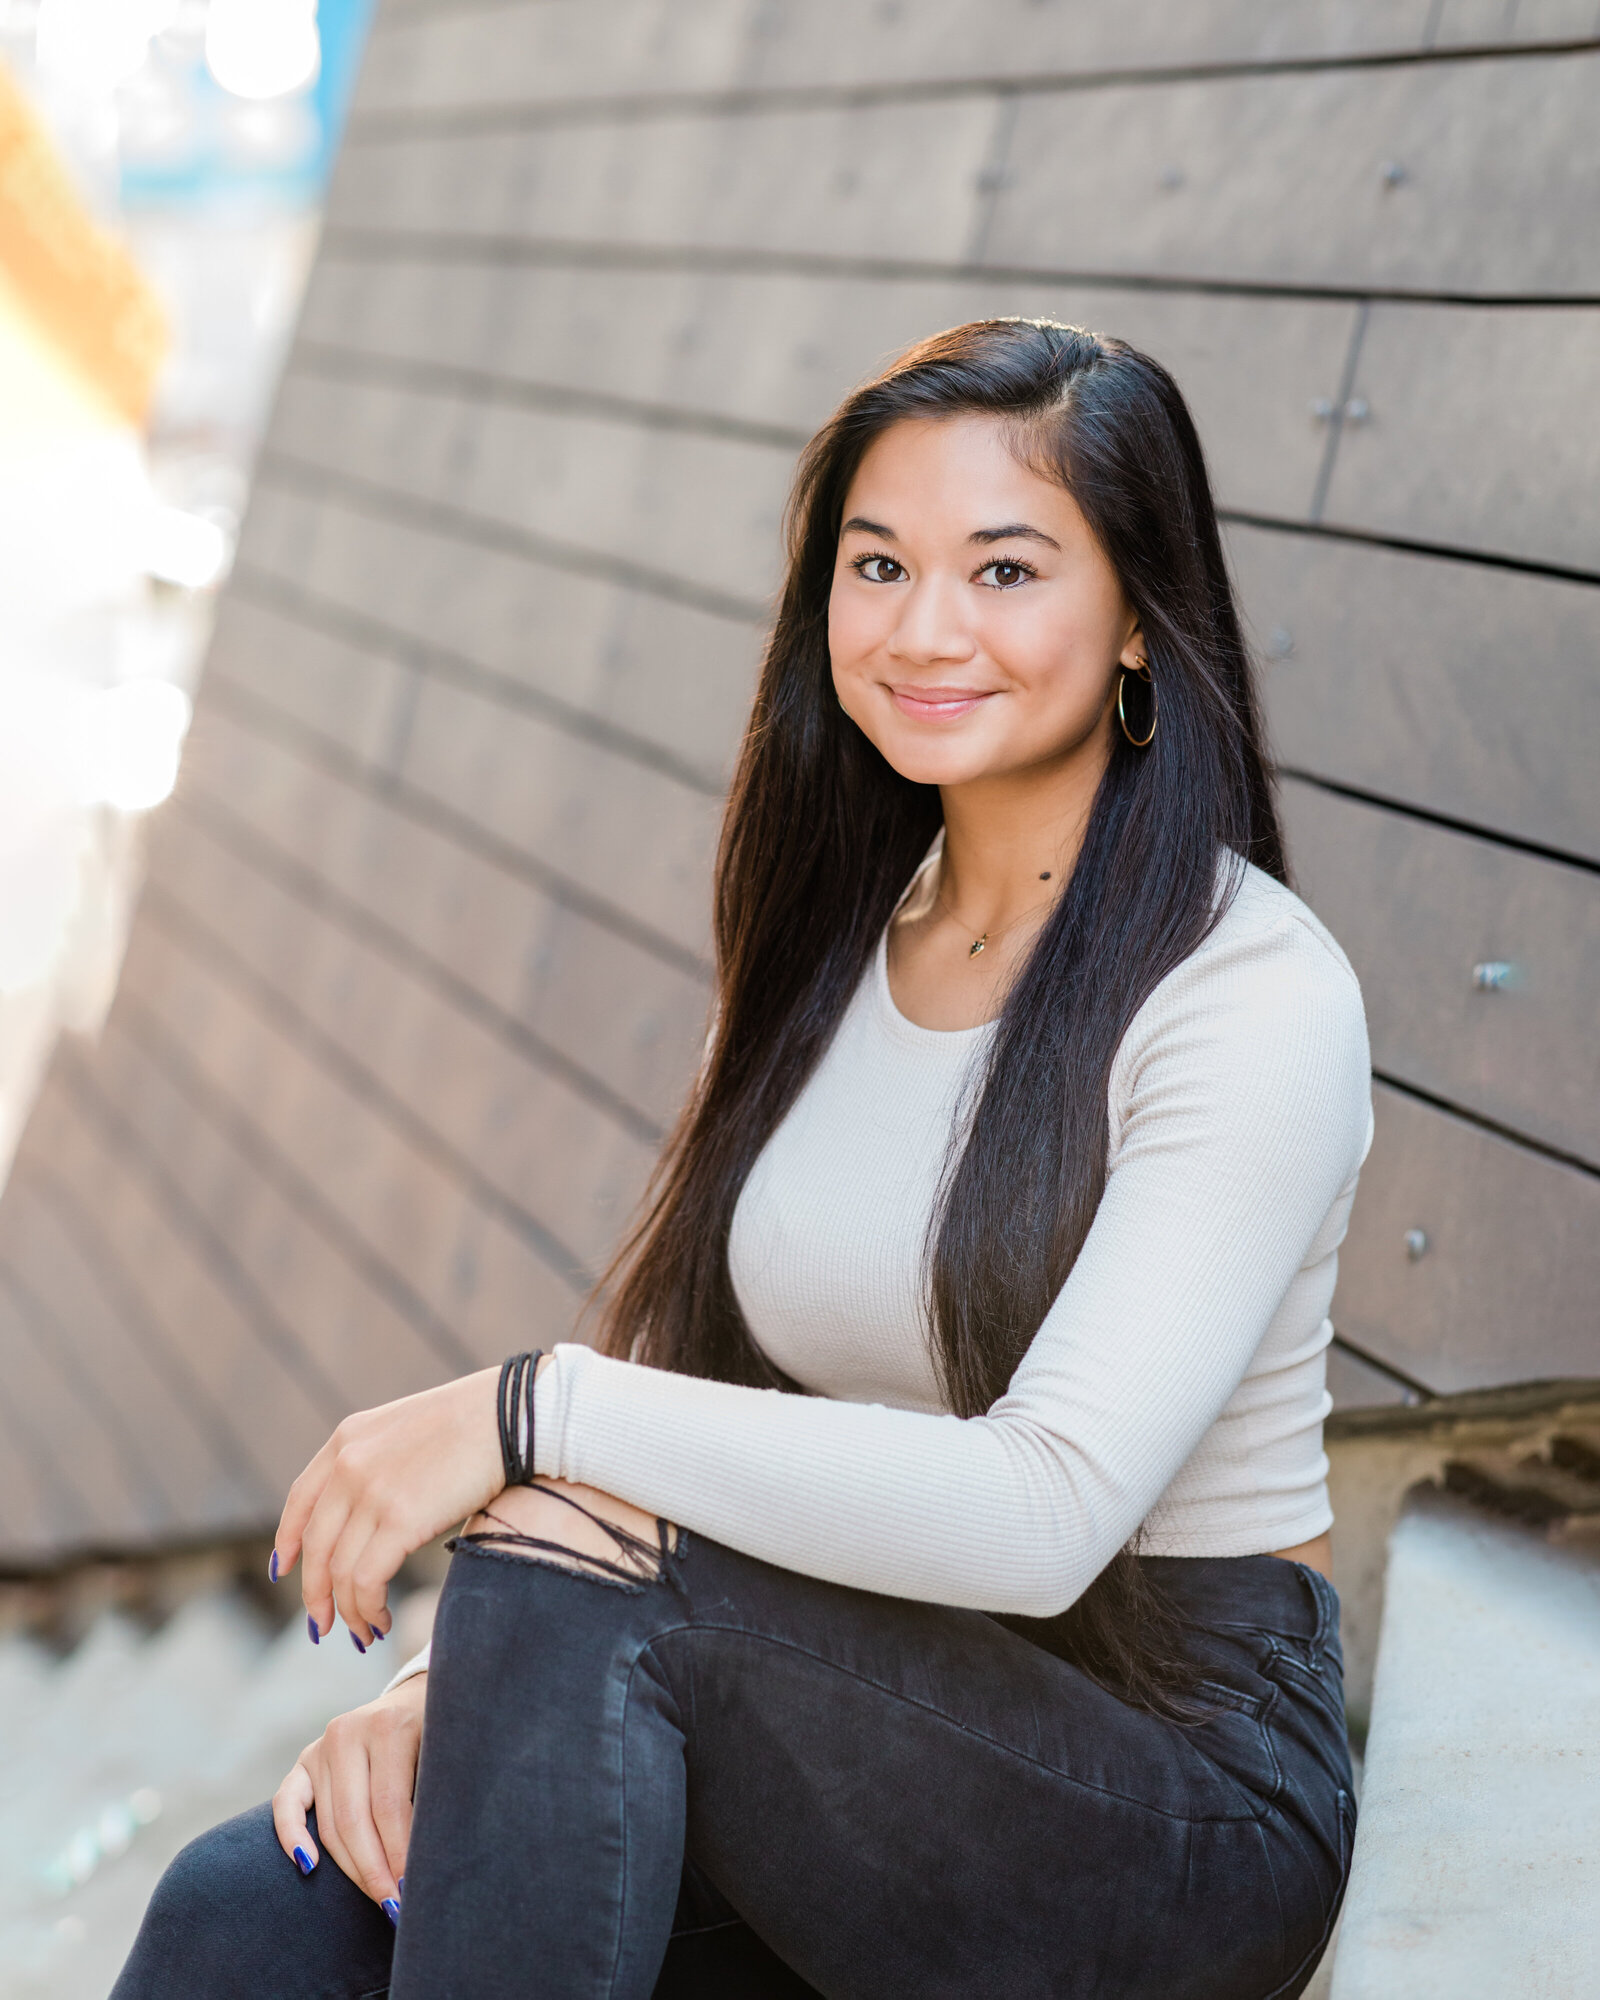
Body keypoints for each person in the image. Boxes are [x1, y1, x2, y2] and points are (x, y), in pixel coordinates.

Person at [113, 320, 1371, 2000]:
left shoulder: (1245, 992)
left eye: (1006, 570)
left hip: (1169, 1810)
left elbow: (1041, 1512)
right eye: (879, 564)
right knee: (255, 1906)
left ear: (1141, 616)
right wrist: (447, 1702)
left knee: (587, 1567)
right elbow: (692, 1400)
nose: (927, 628)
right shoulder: (839, 945)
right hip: (849, 1718)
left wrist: (519, 1412)